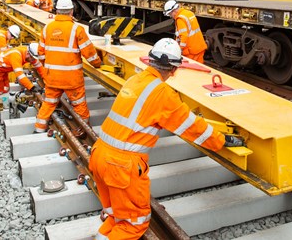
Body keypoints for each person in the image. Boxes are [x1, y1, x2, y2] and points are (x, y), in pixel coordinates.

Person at [88, 38, 243, 239]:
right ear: (174, 69)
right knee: (134, 223)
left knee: (116, 215)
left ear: (150, 61)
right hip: (121, 167)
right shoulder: (163, 93)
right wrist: (221, 141)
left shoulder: (135, 80)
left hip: (99, 154)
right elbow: (191, 126)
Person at [34, 0, 102, 135]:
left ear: (57, 11)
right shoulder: (77, 29)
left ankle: (39, 128)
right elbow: (89, 53)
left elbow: (40, 54)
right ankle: (83, 132)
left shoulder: (47, 28)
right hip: (72, 79)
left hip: (52, 78)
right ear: (71, 12)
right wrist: (97, 64)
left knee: (49, 103)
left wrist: (49, 67)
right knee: (79, 106)